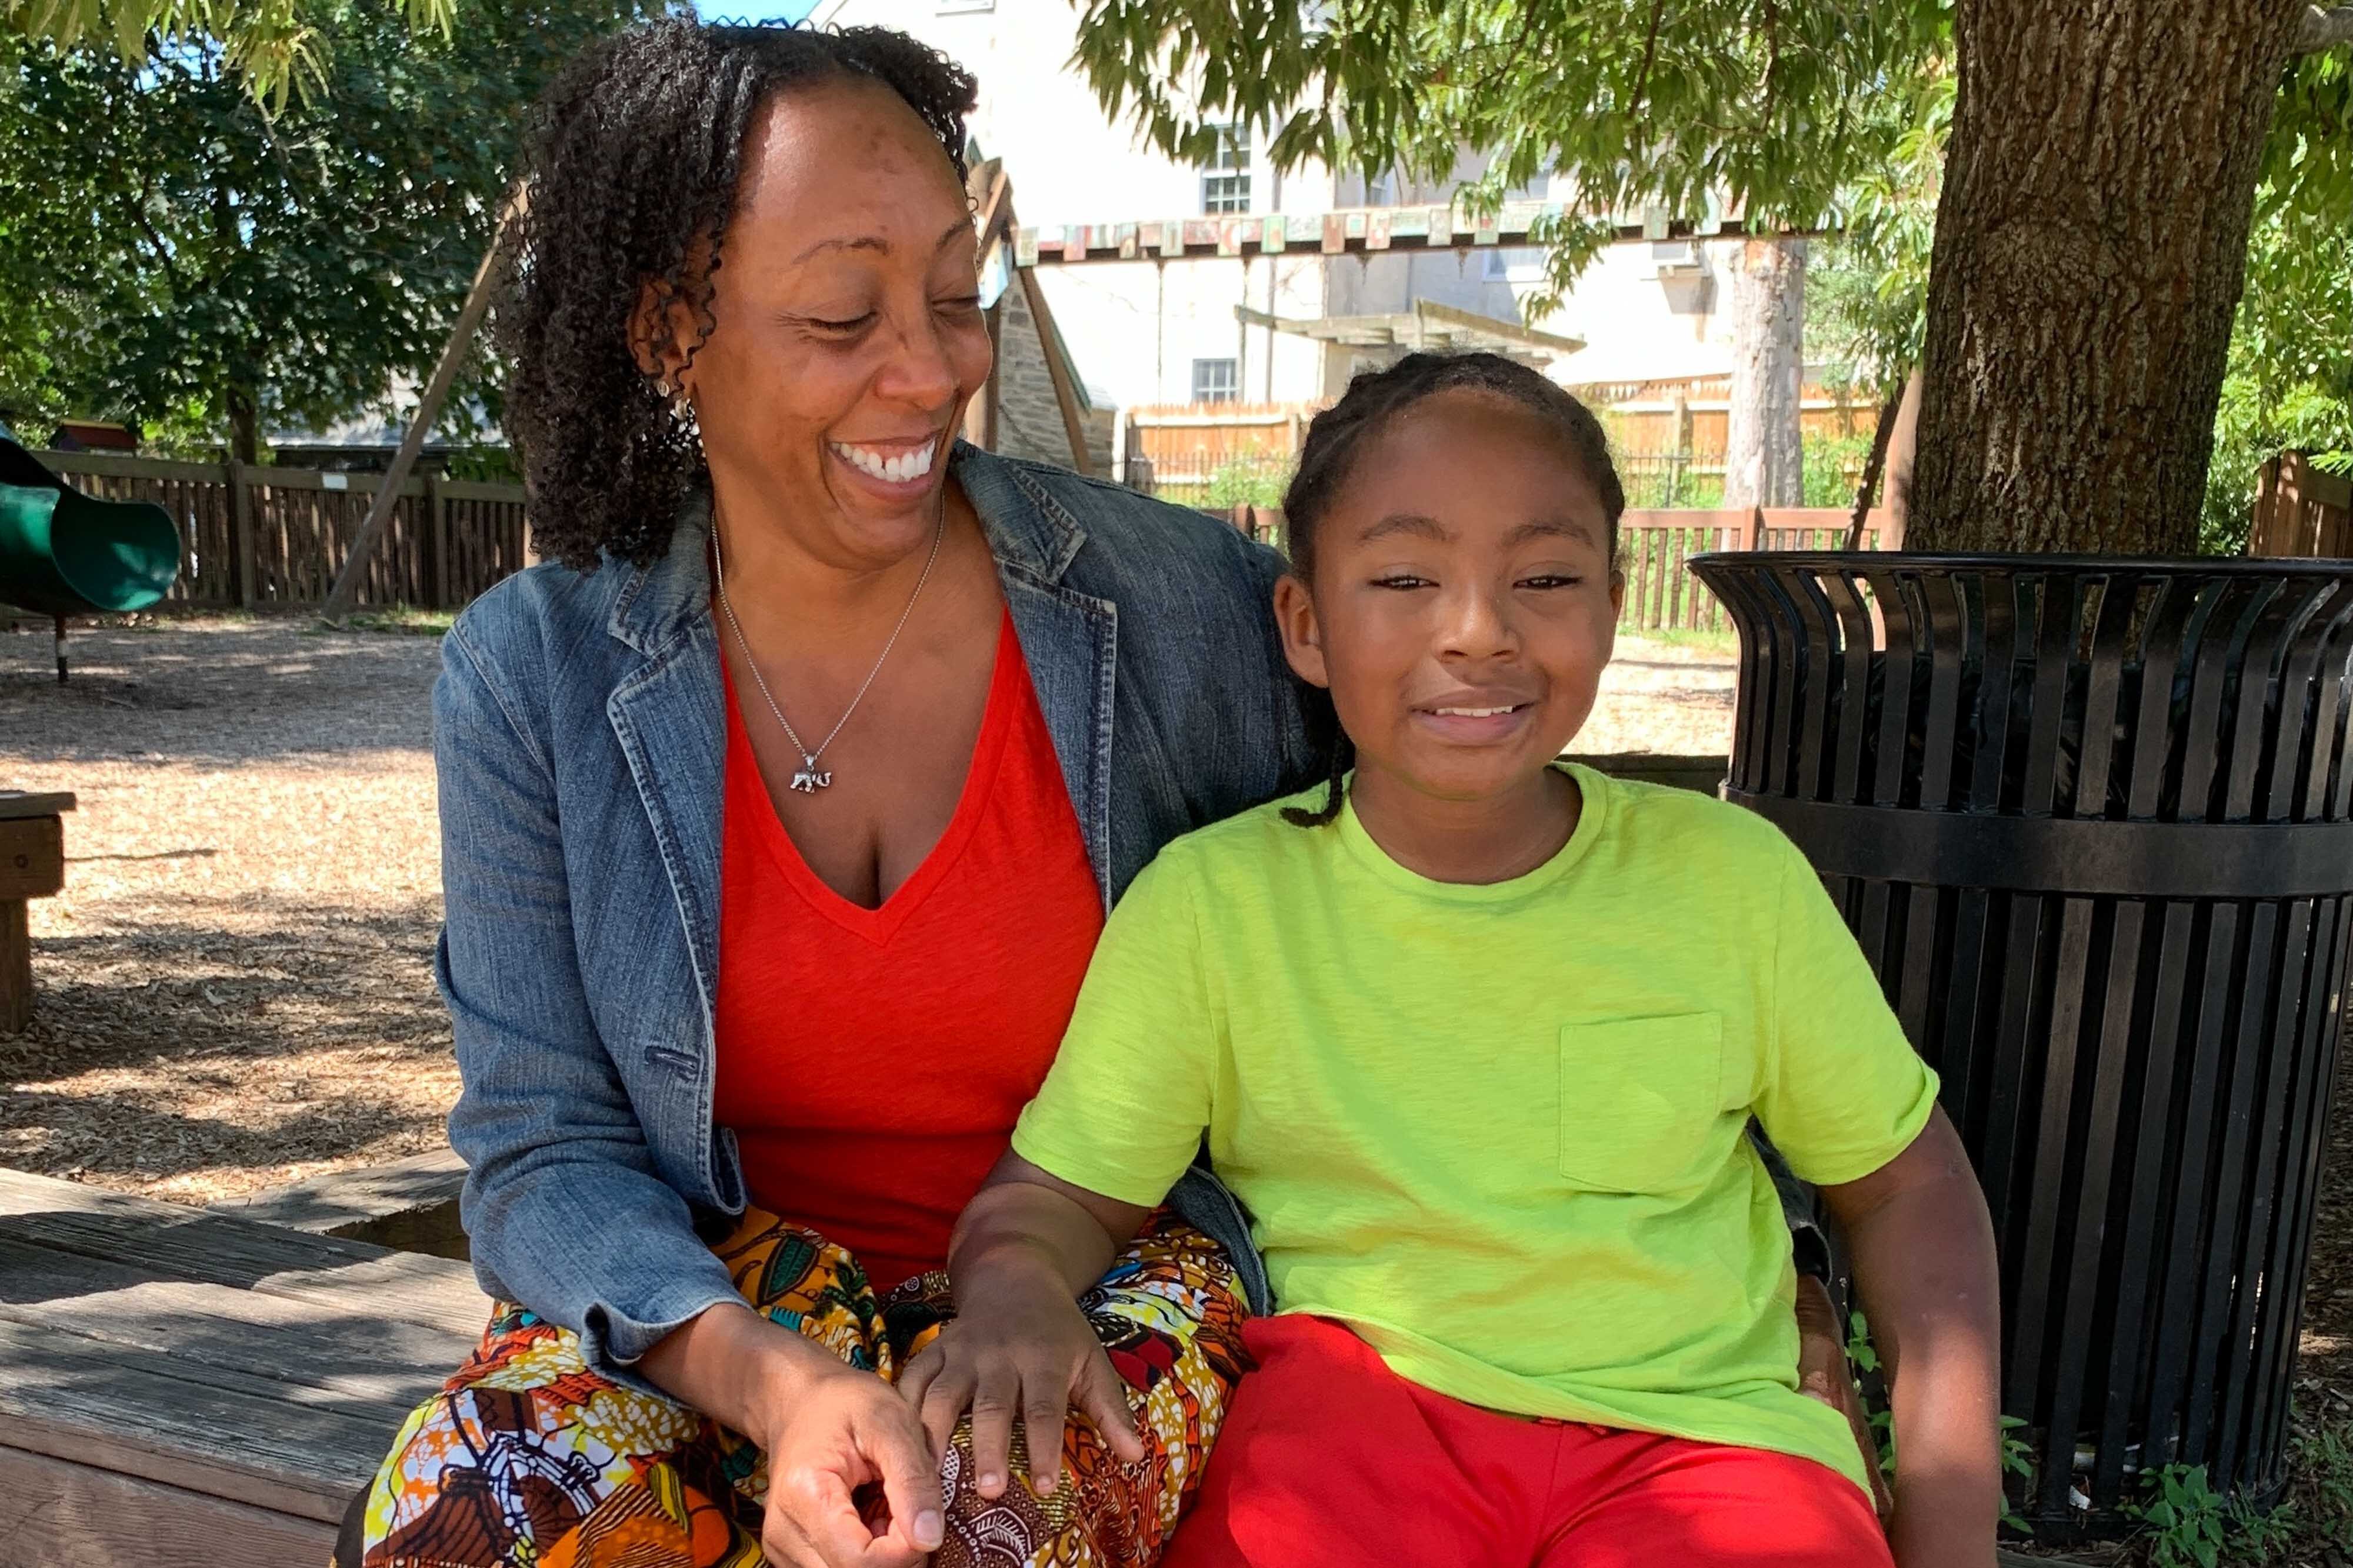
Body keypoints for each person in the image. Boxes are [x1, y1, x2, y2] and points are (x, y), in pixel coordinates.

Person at [339, 21, 1314, 1568]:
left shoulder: (1185, 615)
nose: (929, 370)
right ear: (671, 328)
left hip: (1094, 1276)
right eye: (845, 311)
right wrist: (778, 1383)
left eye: (951, 295)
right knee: (476, 1517)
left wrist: (1754, 1275)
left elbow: (1478, 882)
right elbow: (542, 1150)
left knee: (988, 1526)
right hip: (716, 1290)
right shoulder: (539, 675)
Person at [920, 353, 2005, 1568]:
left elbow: (1904, 1185)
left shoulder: (1727, 881)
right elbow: (1060, 1191)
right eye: (1402, 577)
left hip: (1710, 1447)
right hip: (1352, 1434)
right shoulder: (1218, 907)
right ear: (1307, 624)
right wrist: (1013, 1282)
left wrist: (1950, 1523)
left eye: (1543, 577)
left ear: (1607, 603)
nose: (1478, 630)